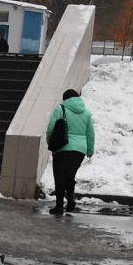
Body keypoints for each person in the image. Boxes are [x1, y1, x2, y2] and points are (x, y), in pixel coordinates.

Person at [43, 87, 95, 216]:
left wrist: (52, 143)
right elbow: (90, 134)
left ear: (65, 98)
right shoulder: (87, 113)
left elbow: (50, 128)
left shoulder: (61, 109)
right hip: (79, 150)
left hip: (62, 147)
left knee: (60, 177)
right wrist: (89, 150)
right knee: (69, 176)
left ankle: (59, 206)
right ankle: (70, 200)